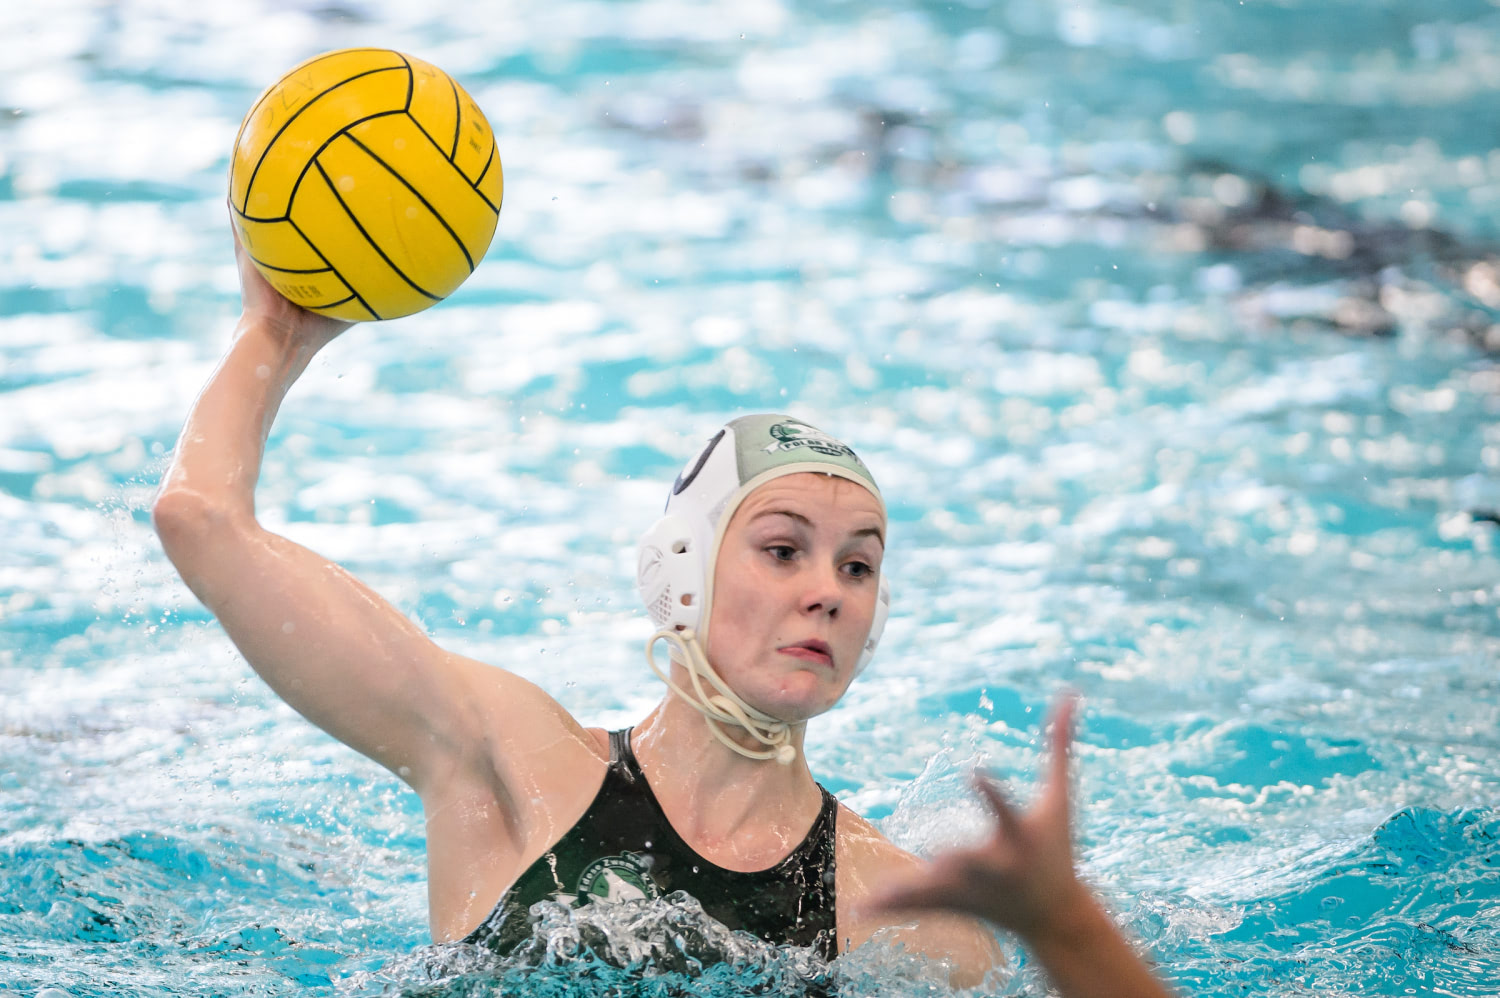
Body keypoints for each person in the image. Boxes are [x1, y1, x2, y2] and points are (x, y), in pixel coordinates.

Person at [151, 233, 1175, 997]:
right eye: (782, 548)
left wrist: (1061, 923)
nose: (828, 587)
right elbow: (201, 522)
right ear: (681, 572)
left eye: (859, 566)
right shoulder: (509, 761)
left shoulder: (894, 907)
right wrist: (277, 332)